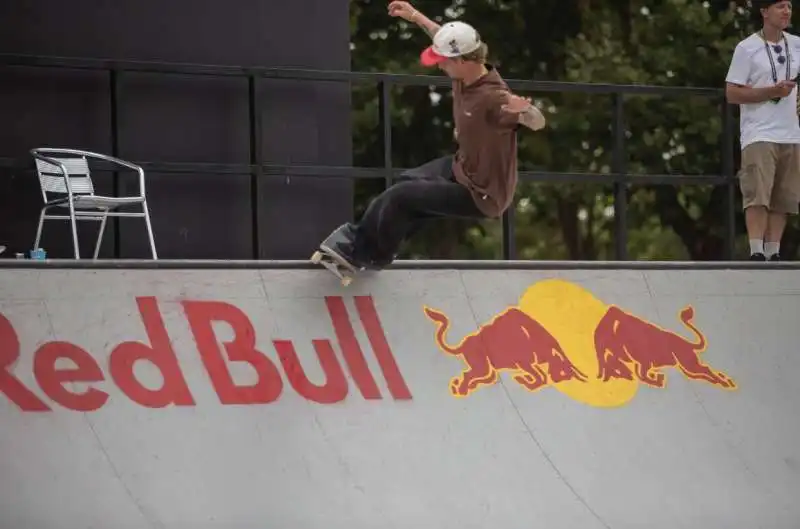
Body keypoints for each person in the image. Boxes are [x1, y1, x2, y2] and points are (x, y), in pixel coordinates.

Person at [319, 0, 546, 269]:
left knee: (403, 197)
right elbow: (443, 37)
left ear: (462, 61)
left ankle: (372, 255)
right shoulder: (465, 71)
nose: (440, 68)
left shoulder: (495, 98)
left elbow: (538, 123)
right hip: (460, 167)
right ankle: (368, 242)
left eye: (444, 63)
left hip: (482, 194)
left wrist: (526, 110)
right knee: (406, 182)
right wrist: (415, 16)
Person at [725, 0, 800, 261]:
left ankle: (773, 252)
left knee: (784, 197)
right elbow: (732, 93)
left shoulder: (797, 44)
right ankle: (756, 251)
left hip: (791, 132)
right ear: (764, 11)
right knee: (758, 193)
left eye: (789, 6)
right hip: (759, 132)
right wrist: (771, 92)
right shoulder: (747, 48)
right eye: (780, 6)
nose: (787, 11)